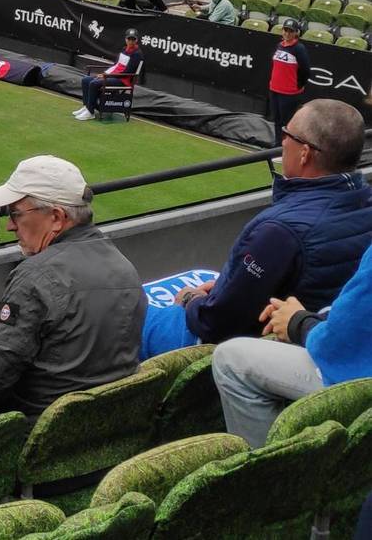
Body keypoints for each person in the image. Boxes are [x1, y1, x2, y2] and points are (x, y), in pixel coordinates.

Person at [142, 99, 372, 359]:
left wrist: (190, 300)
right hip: (295, 337)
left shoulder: (279, 230)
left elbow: (215, 323)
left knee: (129, 316)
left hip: (238, 347)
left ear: (305, 153)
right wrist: (226, 288)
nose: (283, 141)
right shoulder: (362, 202)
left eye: (287, 135)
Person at [0, 156, 145, 416]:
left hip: (39, 435)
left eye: (15, 213)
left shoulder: (36, 275)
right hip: (106, 424)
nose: (10, 225)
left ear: (56, 217)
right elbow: (59, 354)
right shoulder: (123, 265)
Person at [212, 242, 372, 449]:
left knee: (230, 361)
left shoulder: (277, 231)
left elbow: (341, 344)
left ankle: (270, 477)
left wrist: (299, 323)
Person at [75, 28, 142, 120]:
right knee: (85, 80)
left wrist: (107, 76)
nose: (131, 41)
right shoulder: (124, 49)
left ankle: (90, 113)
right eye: (129, 39)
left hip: (123, 80)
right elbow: (116, 65)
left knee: (93, 83)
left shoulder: (137, 54)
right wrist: (105, 73)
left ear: (136, 40)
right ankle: (87, 106)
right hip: (113, 76)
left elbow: (127, 72)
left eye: (133, 39)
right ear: (125, 39)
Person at [268, 19, 310, 146]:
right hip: (275, 89)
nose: (287, 33)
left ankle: (286, 149)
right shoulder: (280, 45)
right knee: (277, 120)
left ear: (296, 33)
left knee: (287, 123)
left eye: (290, 31)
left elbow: (306, 71)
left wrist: (297, 86)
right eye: (285, 30)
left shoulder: (299, 49)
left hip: (289, 93)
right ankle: (277, 147)